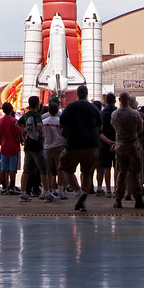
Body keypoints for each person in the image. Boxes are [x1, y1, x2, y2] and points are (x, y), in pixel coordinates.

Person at [59, 84, 102, 212]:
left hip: (74, 143)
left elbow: (62, 123)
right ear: (87, 93)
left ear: (77, 94)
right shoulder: (94, 108)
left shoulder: (70, 106)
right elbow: (100, 127)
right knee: (87, 173)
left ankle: (78, 192)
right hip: (92, 144)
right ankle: (83, 199)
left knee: (66, 168)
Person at [110, 91, 144, 209]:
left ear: (119, 100)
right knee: (135, 173)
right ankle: (138, 199)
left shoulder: (114, 114)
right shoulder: (135, 114)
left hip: (120, 145)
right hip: (132, 145)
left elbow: (114, 127)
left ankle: (118, 199)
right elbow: (140, 130)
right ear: (129, 100)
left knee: (121, 173)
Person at [17, 96, 56, 202]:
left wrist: (24, 130)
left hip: (28, 145)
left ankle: (23, 193)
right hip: (37, 146)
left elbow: (17, 124)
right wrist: (41, 131)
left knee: (26, 171)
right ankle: (47, 193)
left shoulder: (25, 115)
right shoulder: (37, 115)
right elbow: (39, 125)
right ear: (37, 105)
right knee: (43, 169)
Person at [0, 102, 21, 194]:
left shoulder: (0, 122)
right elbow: (18, 135)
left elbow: (0, 135)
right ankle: (12, 186)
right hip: (13, 147)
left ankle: (4, 186)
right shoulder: (14, 121)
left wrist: (1, 143)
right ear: (11, 110)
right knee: (12, 168)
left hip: (4, 146)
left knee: (4, 167)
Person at [97, 92, 117, 194]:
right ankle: (116, 189)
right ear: (115, 101)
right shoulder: (117, 112)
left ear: (105, 101)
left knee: (106, 167)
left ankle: (108, 189)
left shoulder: (102, 113)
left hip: (105, 143)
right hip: (117, 142)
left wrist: (108, 141)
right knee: (117, 167)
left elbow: (99, 131)